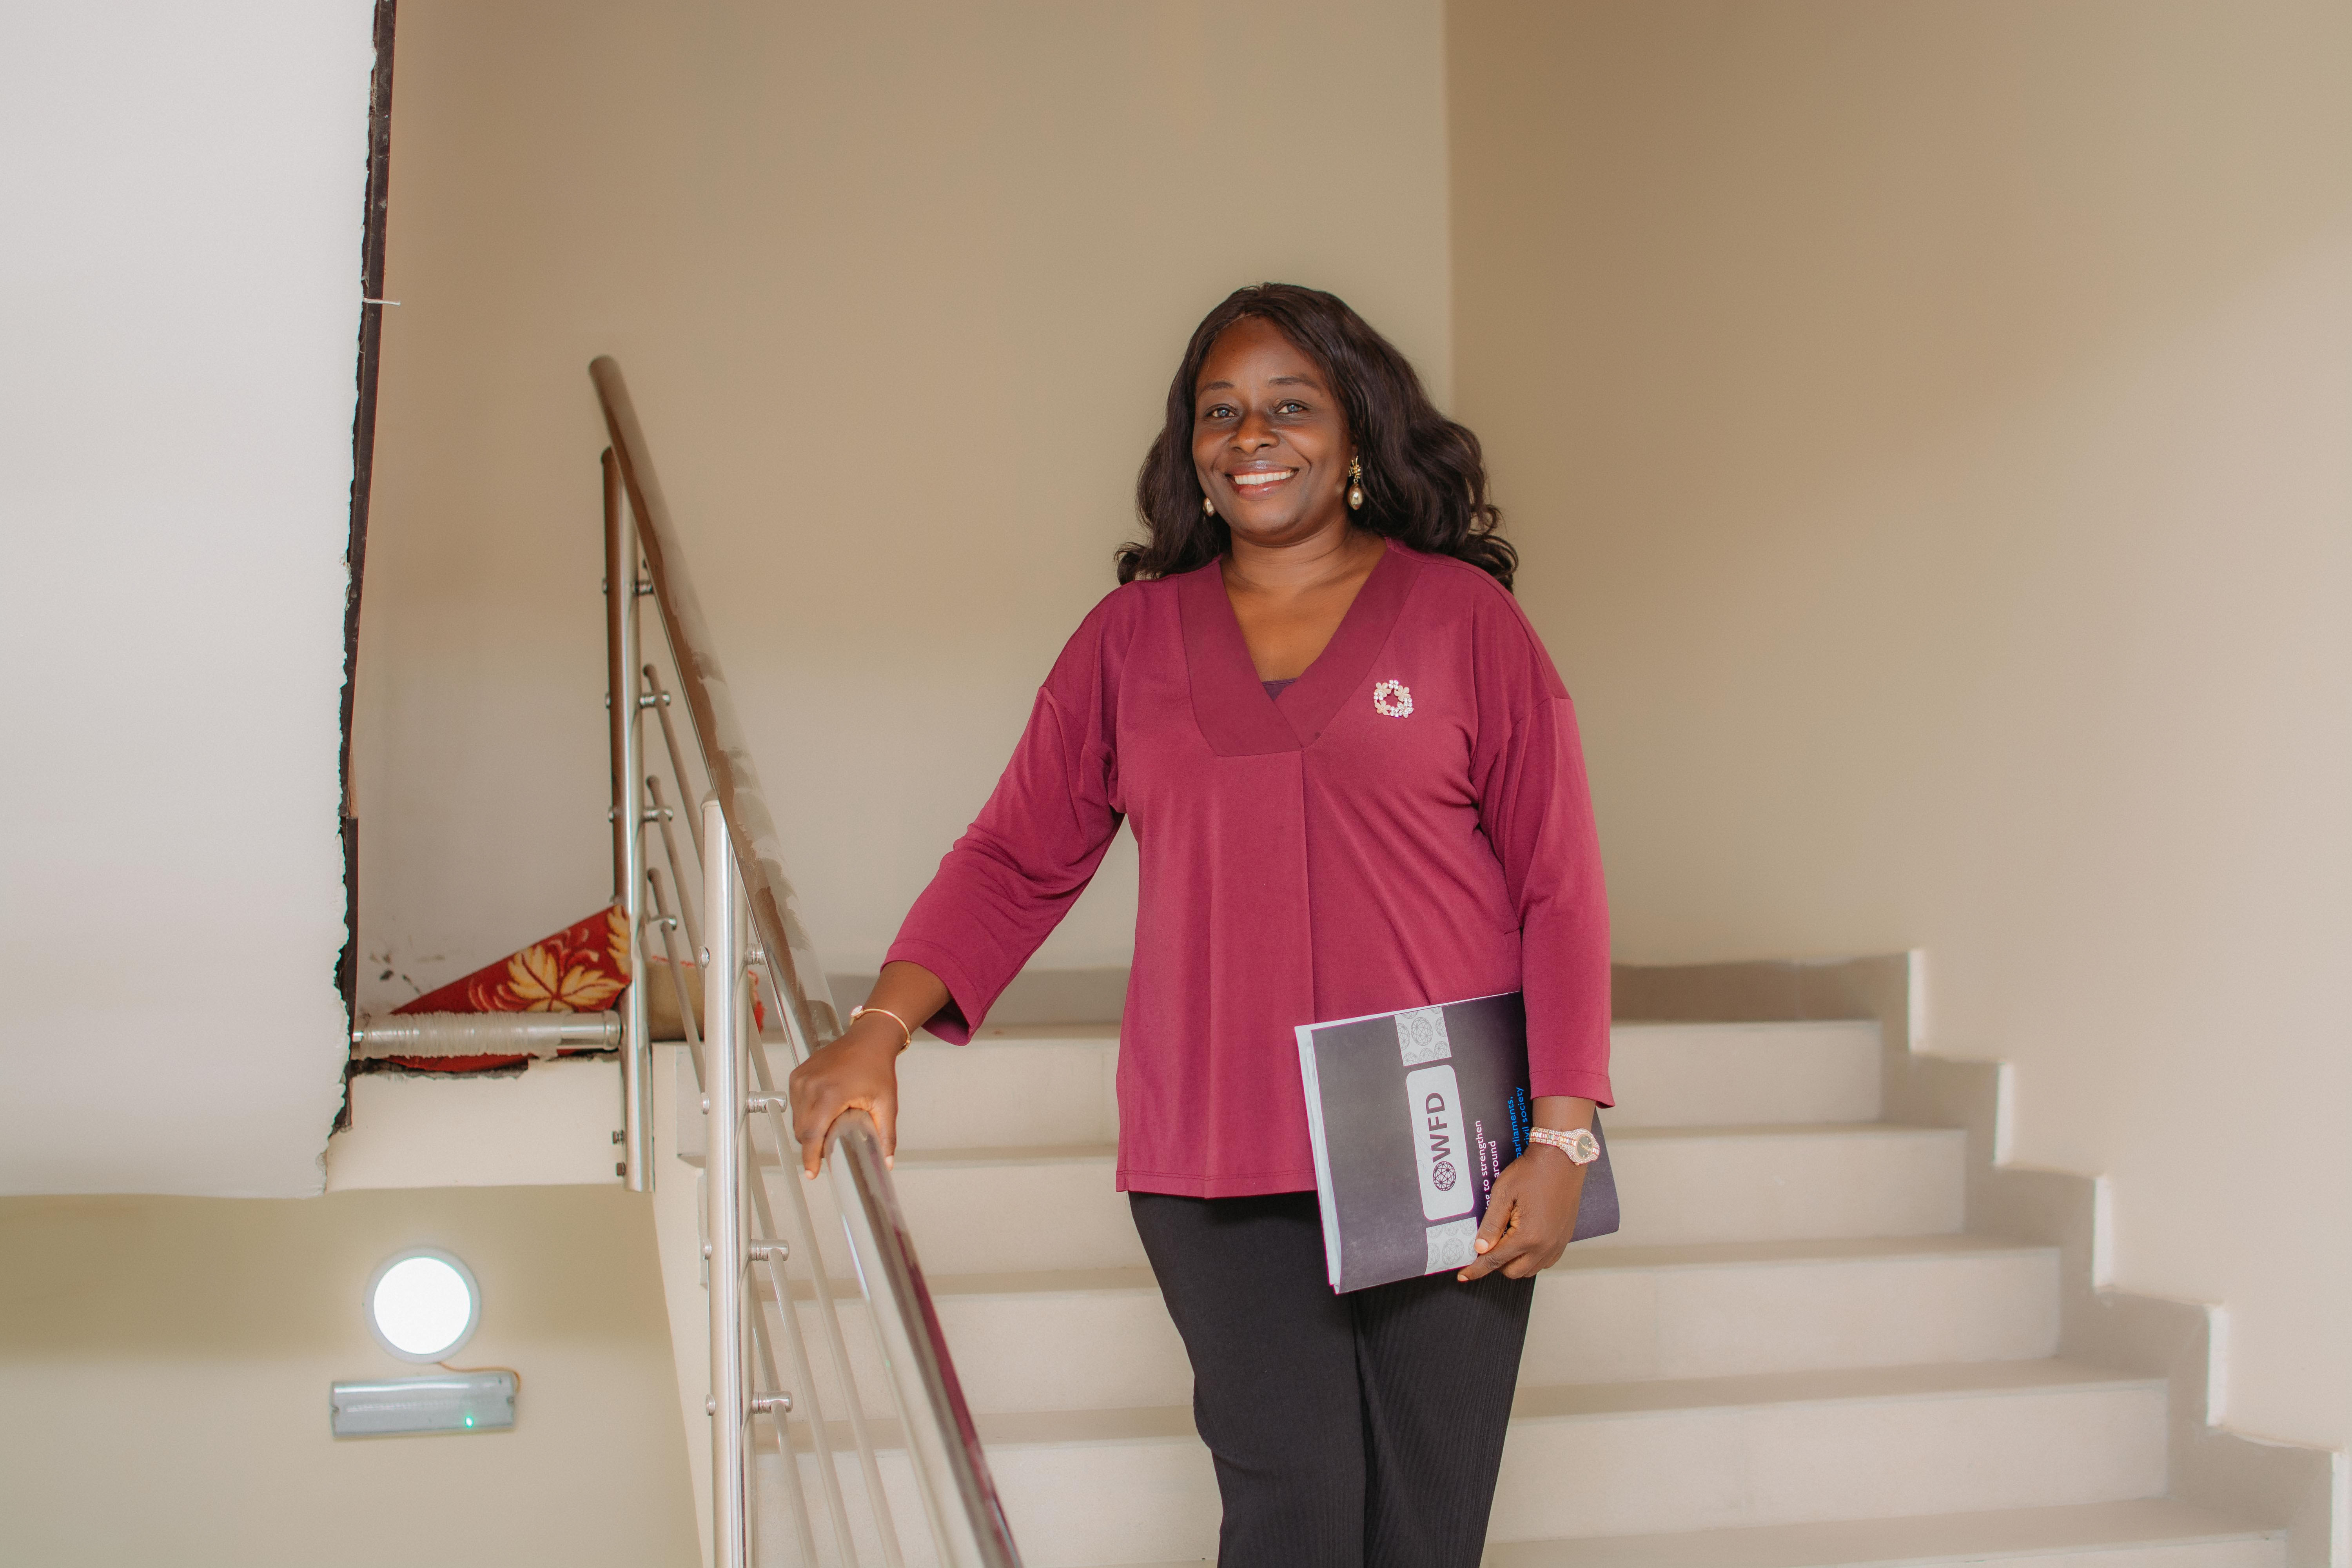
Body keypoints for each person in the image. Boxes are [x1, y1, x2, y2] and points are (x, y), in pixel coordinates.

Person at [789, 282, 1611, 1566]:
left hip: (1441, 1134)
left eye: (1291, 406)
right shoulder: (1129, 643)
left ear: (1356, 435)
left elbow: (1558, 884)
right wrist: (879, 1027)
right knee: (1294, 1508)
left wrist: (1564, 1135)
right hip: (1215, 1148)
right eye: (1219, 413)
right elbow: (1013, 855)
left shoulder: (1466, 623)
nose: (1252, 437)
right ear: (1190, 448)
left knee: (1427, 1527)